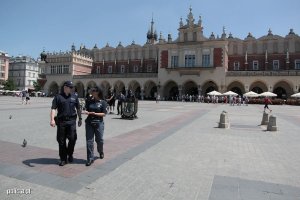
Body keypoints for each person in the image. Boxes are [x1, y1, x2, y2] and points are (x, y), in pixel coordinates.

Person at [50, 81, 82, 166]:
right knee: (61, 141)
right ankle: (63, 159)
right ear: (65, 87)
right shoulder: (58, 97)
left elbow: (78, 108)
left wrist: (80, 118)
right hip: (61, 122)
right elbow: (53, 108)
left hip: (72, 121)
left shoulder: (74, 97)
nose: (72, 89)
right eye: (70, 87)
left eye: (72, 87)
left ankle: (70, 153)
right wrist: (52, 119)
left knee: (72, 139)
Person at [82, 86, 107, 166]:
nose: (92, 92)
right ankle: (90, 158)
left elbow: (104, 114)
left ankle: (100, 151)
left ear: (98, 92)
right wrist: (85, 112)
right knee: (89, 141)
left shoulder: (103, 102)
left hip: (99, 122)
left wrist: (95, 113)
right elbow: (86, 109)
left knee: (99, 140)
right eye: (92, 91)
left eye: (94, 91)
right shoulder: (89, 101)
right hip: (89, 122)